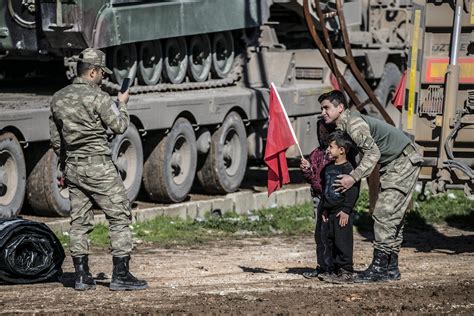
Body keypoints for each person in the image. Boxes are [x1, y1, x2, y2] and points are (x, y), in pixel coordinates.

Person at [49, 48, 148, 291]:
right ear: (92, 71)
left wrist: (65, 165)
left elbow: (56, 140)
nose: (102, 77)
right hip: (99, 167)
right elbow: (120, 126)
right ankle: (121, 274)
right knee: (119, 216)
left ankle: (82, 276)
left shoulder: (58, 98)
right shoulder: (100, 98)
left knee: (79, 222)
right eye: (101, 73)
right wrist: (122, 104)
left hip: (73, 167)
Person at [318, 90, 422, 283]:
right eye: (322, 108)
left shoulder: (354, 125)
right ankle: (390, 268)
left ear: (340, 108)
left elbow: (372, 154)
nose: (323, 112)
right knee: (392, 216)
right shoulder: (345, 126)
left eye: (327, 108)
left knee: (384, 213)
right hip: (395, 162)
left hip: (402, 161)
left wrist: (353, 177)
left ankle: (379, 268)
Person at [317, 130, 359, 284]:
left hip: (342, 213)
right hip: (330, 213)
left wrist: (346, 210)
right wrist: (325, 209)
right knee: (330, 241)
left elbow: (353, 191)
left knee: (343, 242)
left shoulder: (348, 170)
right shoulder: (328, 168)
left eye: (331, 147)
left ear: (341, 150)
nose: (328, 150)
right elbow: (325, 189)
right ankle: (334, 270)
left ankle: (346, 270)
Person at [299, 119, 334, 278]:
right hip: (318, 198)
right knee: (319, 234)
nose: (322, 135)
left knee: (329, 234)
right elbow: (313, 177)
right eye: (319, 132)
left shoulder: (335, 154)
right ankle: (322, 266)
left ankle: (332, 267)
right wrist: (307, 171)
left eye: (325, 132)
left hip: (331, 199)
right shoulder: (315, 154)